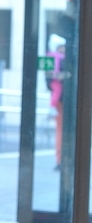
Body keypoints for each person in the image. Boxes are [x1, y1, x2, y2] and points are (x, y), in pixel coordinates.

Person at [46, 33, 66, 167]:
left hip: (59, 97)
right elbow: (49, 79)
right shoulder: (55, 58)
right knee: (61, 129)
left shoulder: (50, 57)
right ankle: (60, 159)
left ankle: (60, 159)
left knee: (60, 129)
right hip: (61, 99)